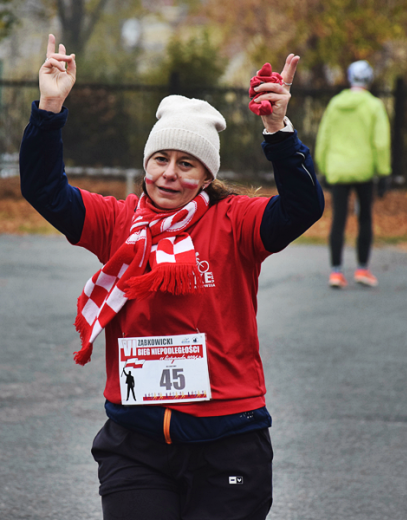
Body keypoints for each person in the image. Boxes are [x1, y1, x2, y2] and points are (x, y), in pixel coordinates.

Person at [20, 34, 324, 520]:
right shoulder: (117, 223)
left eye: (186, 164)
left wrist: (278, 131)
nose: (169, 174)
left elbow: (303, 207)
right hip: (136, 445)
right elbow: (43, 189)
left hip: (229, 441)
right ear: (146, 165)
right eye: (161, 160)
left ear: (206, 176)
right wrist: (50, 107)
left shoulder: (235, 222)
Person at [315, 60, 391, 289]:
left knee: (338, 219)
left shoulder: (335, 104)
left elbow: (324, 139)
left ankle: (336, 272)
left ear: (349, 78)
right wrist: (384, 172)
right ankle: (362, 269)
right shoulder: (374, 106)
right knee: (365, 217)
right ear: (369, 80)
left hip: (338, 169)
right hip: (364, 169)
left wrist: (323, 168)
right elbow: (381, 142)